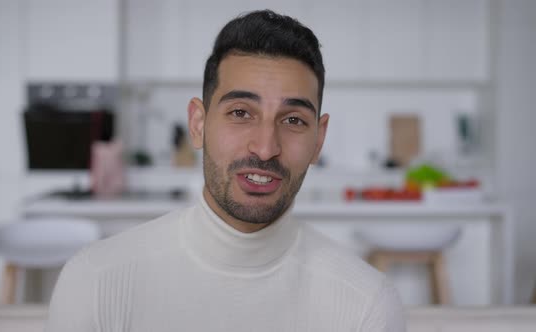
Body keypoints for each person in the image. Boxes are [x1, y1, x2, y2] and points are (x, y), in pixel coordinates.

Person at [46, 9, 405, 331]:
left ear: (318, 139)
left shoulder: (365, 305)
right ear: (198, 124)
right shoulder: (95, 281)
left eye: (294, 119)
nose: (265, 148)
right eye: (240, 113)